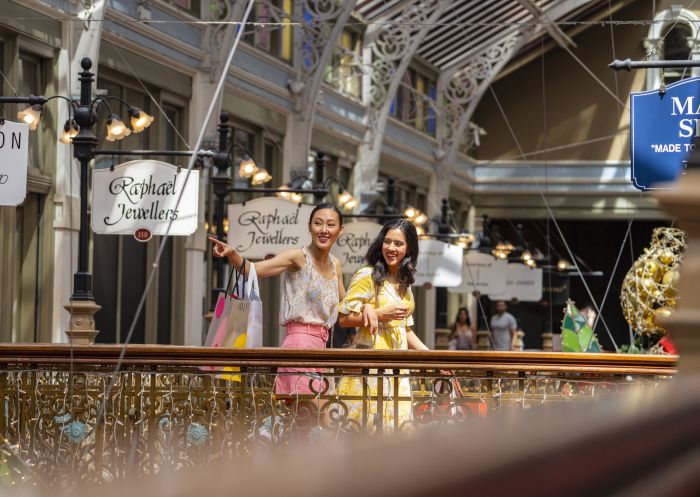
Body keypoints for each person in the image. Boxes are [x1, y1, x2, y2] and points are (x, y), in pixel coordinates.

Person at [210, 203, 373, 395]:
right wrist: (233, 254)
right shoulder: (298, 257)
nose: (323, 230)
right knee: (316, 415)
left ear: (340, 230)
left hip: (324, 350)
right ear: (309, 226)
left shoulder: (335, 264)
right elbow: (253, 270)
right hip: (299, 345)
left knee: (307, 420)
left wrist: (368, 307)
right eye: (318, 223)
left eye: (330, 225)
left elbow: (345, 305)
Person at [337, 218, 429, 431]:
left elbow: (405, 329)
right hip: (371, 362)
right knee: (366, 430)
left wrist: (433, 358)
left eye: (398, 243)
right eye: (387, 241)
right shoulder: (368, 275)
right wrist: (380, 313)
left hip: (398, 367)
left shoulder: (405, 282)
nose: (391, 248)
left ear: (409, 248)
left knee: (398, 430)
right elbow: (344, 319)